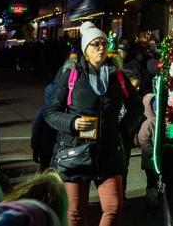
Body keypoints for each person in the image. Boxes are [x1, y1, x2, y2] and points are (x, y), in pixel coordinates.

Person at [44, 22, 141, 226]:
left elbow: (137, 108)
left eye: (104, 43)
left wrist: (122, 130)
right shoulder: (72, 75)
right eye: (95, 44)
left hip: (108, 154)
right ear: (85, 51)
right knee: (76, 215)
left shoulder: (118, 76)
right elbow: (50, 112)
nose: (101, 47)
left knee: (114, 207)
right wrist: (73, 122)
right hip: (75, 153)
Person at [134, 92, 159, 207]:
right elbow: (143, 139)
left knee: (157, 179)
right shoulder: (148, 124)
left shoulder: (159, 122)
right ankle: (151, 198)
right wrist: (150, 153)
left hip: (157, 158)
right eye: (154, 105)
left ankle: (155, 195)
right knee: (152, 179)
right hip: (150, 160)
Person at [31, 84, 57, 170]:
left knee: (45, 170)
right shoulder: (62, 111)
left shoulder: (41, 111)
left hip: (44, 149)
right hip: (59, 148)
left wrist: (34, 148)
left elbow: (35, 131)